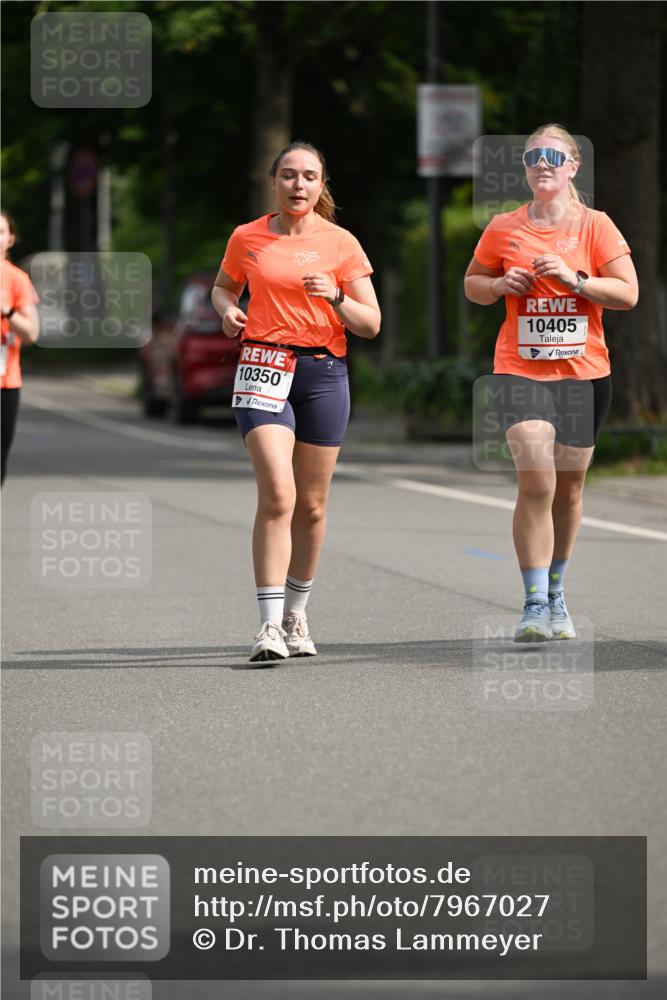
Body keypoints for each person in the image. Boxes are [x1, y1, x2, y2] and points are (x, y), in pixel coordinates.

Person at [464, 124, 638, 642]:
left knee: (569, 488)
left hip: (584, 374)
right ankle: (534, 602)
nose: (543, 163)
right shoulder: (503, 227)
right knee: (536, 477)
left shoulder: (595, 226)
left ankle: (557, 591)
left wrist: (575, 280)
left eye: (553, 156)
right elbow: (473, 285)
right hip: (520, 368)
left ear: (572, 166)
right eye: (533, 156)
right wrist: (498, 283)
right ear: (524, 166)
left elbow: (627, 294)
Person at [212, 142, 381, 662]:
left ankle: (296, 613)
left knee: (310, 505)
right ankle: (267, 626)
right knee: (278, 494)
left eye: (309, 176)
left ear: (321, 184)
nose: (299, 185)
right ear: (274, 181)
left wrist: (335, 295)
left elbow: (370, 324)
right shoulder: (247, 237)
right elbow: (223, 288)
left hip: (324, 373)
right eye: (289, 175)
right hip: (263, 367)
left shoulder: (341, 243)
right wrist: (226, 311)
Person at [1, 210, 40, 486]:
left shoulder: (16, 279)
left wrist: (7, 311)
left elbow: (31, 333)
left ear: (11, 238)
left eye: (1, 232)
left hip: (6, 382)